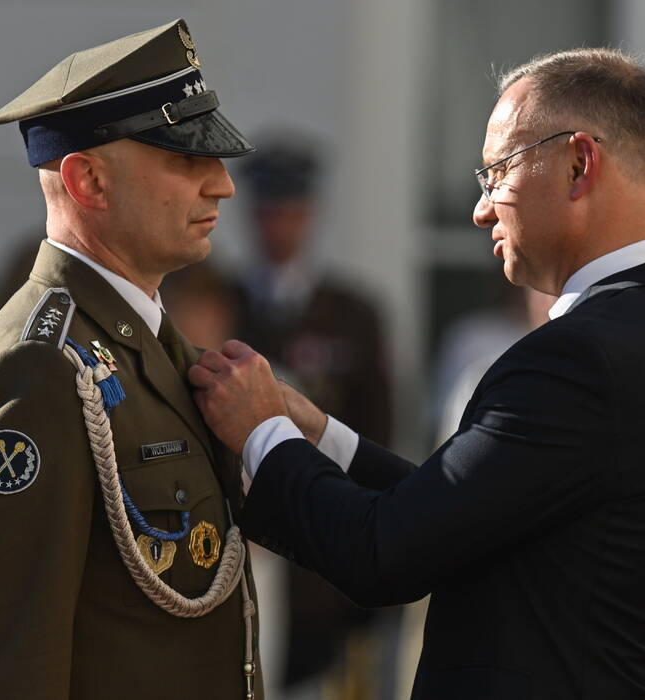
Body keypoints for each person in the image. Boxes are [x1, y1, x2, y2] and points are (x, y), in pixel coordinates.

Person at [190, 48, 645, 699]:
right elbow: (468, 515)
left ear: (579, 164)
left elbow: (387, 552)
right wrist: (317, 432)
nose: (482, 209)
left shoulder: (581, 357)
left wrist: (262, 430)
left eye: (496, 172)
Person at [0, 19, 264, 699]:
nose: (222, 185)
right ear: (89, 182)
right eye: (186, 158)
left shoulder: (148, 345)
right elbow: (2, 672)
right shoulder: (38, 370)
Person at [233, 133, 395, 699]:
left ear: (311, 214)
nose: (278, 226)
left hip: (323, 567)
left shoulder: (354, 313)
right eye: (267, 212)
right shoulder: (219, 304)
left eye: (291, 211)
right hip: (239, 557)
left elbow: (372, 432)